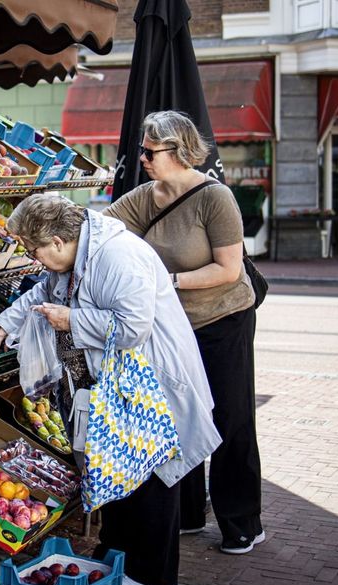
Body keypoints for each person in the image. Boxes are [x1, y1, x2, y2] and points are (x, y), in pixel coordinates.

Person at [0, 193, 221, 585]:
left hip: (152, 383)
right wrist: (6, 323)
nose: (33, 258)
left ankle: (153, 577)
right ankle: (119, 557)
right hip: (122, 386)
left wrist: (72, 319)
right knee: (121, 470)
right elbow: (42, 294)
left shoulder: (118, 256)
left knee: (151, 474)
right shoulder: (76, 257)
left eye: (33, 248)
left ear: (57, 241)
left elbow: (133, 328)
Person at [102, 111, 264, 555]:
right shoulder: (144, 197)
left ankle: (241, 521)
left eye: (150, 152)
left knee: (230, 418)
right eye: (143, 151)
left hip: (223, 320)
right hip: (172, 327)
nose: (143, 159)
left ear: (178, 151)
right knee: (176, 416)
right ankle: (189, 513)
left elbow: (229, 270)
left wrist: (166, 282)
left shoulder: (216, 199)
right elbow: (101, 231)